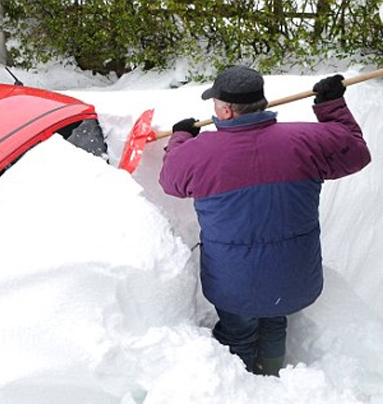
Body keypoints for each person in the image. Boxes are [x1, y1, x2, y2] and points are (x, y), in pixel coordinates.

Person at [158, 65, 371, 376]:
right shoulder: (305, 141)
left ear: (227, 111)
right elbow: (355, 152)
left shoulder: (198, 153)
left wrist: (180, 138)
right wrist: (332, 106)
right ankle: (270, 374)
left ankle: (242, 385)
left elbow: (170, 179)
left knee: (238, 334)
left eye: (215, 104)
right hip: (293, 278)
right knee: (274, 322)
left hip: (233, 284)